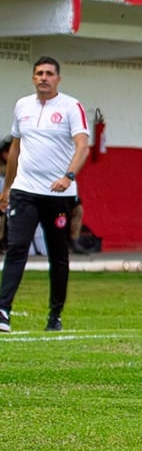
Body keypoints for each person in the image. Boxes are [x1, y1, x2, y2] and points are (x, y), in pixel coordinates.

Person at [0, 56, 90, 333]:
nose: (43, 78)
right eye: (39, 73)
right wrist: (7, 188)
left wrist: (68, 176)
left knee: (58, 255)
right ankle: (3, 310)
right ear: (33, 77)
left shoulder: (71, 107)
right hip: (25, 191)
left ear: (58, 79)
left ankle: (55, 315)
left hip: (58, 195)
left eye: (49, 73)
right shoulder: (22, 106)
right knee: (16, 249)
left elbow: (82, 146)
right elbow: (15, 148)